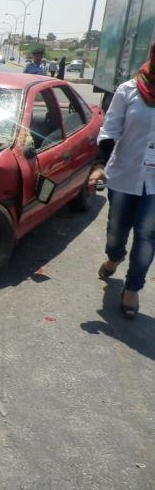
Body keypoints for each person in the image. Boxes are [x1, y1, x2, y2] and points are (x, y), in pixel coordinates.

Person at [87, 40, 155, 319]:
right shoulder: (128, 90)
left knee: (147, 235)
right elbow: (110, 130)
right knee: (116, 231)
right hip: (124, 174)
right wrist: (100, 165)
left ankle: (132, 288)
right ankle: (115, 257)